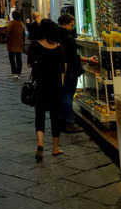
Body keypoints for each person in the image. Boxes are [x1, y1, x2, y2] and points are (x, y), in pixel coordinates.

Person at [27, 18, 65, 161]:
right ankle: (55, 148)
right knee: (55, 116)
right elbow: (62, 69)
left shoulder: (35, 45)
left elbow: (30, 64)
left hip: (40, 85)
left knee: (40, 115)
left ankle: (41, 143)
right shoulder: (59, 48)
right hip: (55, 86)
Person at [57, 14, 99, 132]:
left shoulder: (55, 34)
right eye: (71, 25)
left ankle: (61, 119)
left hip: (59, 69)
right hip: (69, 69)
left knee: (62, 94)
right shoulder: (68, 37)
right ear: (66, 24)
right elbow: (73, 56)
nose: (72, 27)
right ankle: (68, 122)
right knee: (68, 95)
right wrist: (88, 60)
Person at [5, 10, 26, 78]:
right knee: (18, 58)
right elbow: (23, 33)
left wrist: (6, 39)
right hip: (19, 43)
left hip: (12, 43)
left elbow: (8, 32)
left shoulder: (11, 23)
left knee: (12, 58)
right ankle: (19, 72)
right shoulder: (21, 23)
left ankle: (14, 71)